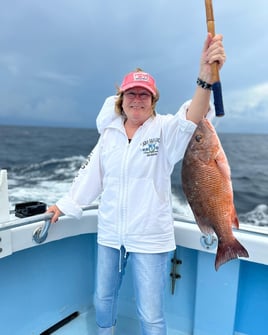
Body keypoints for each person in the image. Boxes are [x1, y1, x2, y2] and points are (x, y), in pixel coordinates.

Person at [47, 33, 226, 335]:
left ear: (154, 101)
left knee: (151, 313)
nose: (137, 99)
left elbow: (193, 115)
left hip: (150, 237)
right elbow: (92, 175)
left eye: (144, 94)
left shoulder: (166, 130)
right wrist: (65, 205)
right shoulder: (110, 136)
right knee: (103, 298)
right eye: (131, 94)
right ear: (121, 100)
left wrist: (204, 78)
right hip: (110, 233)